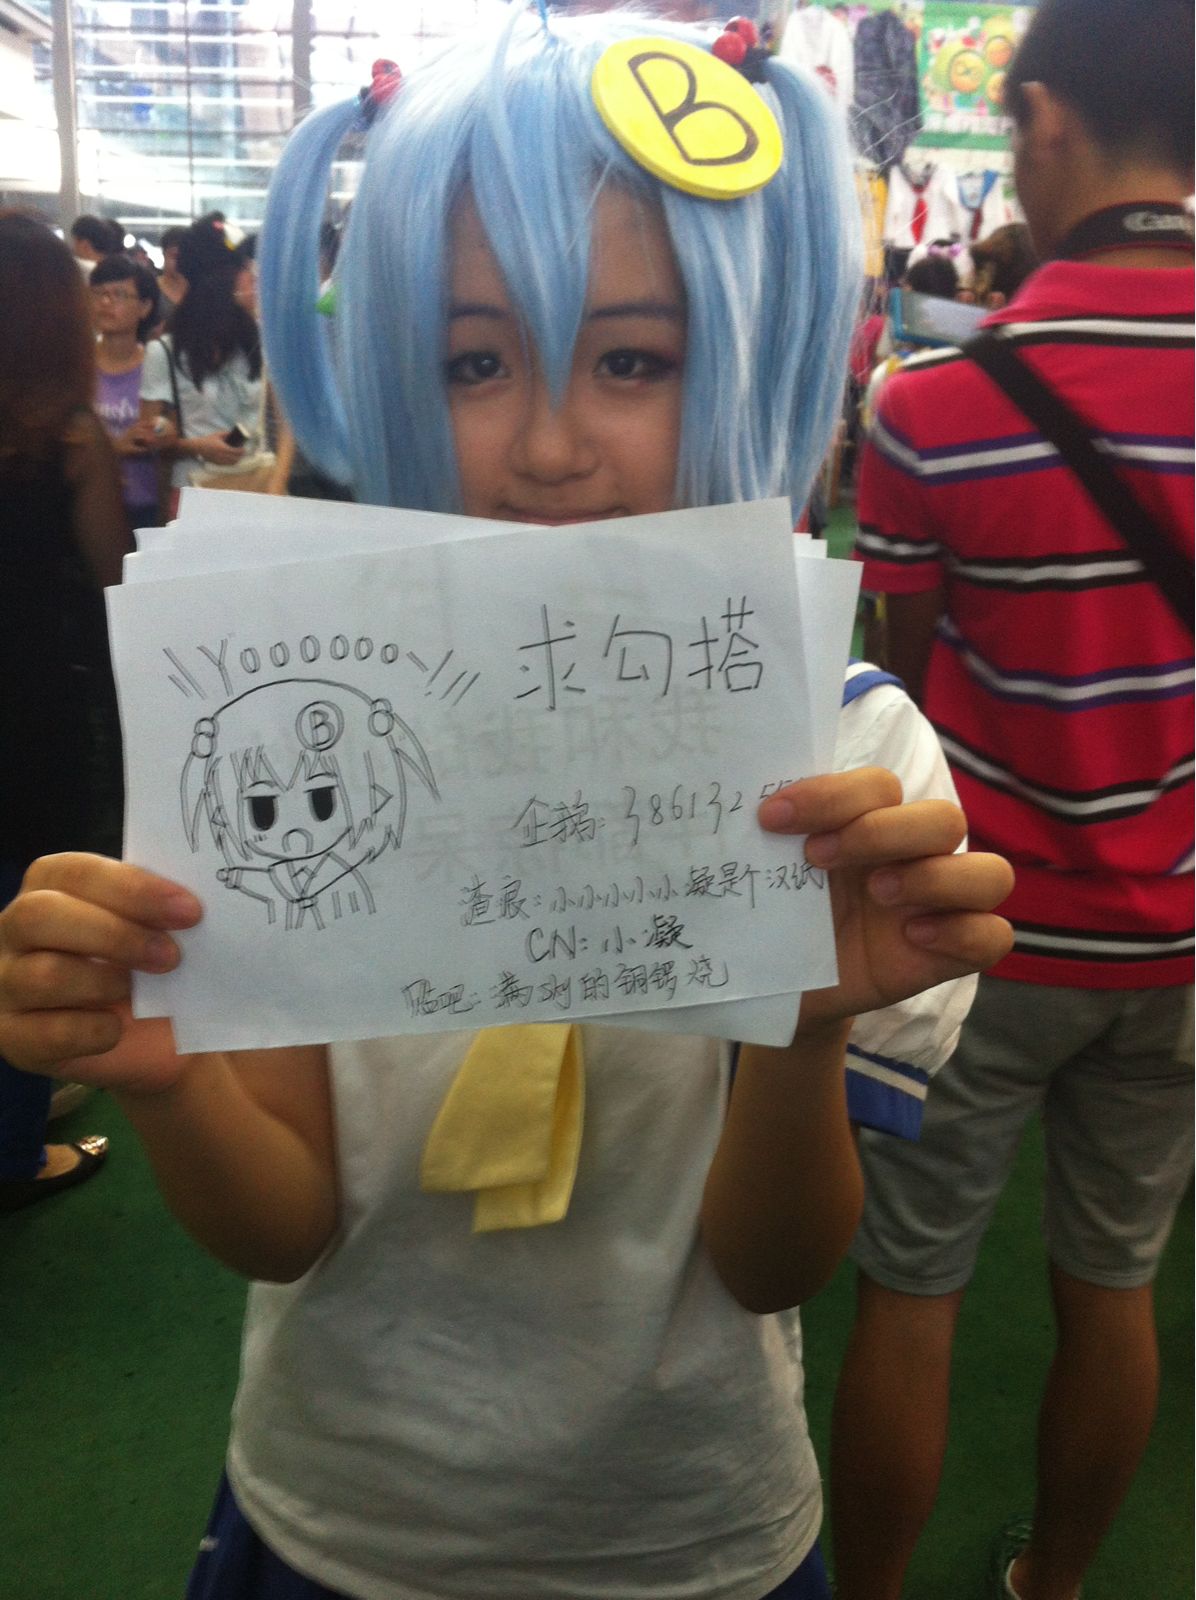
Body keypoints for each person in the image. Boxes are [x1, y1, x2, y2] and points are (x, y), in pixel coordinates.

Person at [0, 13, 1013, 1597]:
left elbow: (772, 1267)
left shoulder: (849, 758)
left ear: (744, 352)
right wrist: (171, 1081)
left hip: (692, 1530)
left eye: (633, 359)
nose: (547, 444)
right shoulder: (285, 703)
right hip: (339, 1513)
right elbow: (284, 1224)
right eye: (473, 361)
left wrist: (804, 1030)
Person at [836, 2, 1194, 1597]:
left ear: (1044, 120)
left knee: (912, 1295)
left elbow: (905, 684)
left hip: (974, 939)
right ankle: (1055, 1582)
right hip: (1176, 938)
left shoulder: (931, 405)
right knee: (1113, 1285)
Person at [0, 212, 129, 1211]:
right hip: (33, 703)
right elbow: (114, 570)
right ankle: (15, 1146)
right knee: (25, 906)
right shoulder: (68, 435)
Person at [140, 214, 266, 511]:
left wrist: (277, 483)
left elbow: (286, 427)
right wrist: (195, 446)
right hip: (194, 496)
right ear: (223, 281)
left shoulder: (258, 342)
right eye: (246, 269)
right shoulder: (164, 352)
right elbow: (148, 436)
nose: (254, 279)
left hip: (258, 491)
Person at [90, 251, 168, 531]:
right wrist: (115, 446)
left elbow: (168, 430)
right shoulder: (77, 365)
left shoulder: (156, 365)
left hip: (148, 507)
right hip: (93, 506)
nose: (106, 302)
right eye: (99, 293)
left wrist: (163, 432)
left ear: (145, 307)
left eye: (119, 295)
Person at [156, 224, 189, 322]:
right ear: (164, 254)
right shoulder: (151, 289)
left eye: (186, 257)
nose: (181, 262)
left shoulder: (202, 292)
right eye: (175, 256)